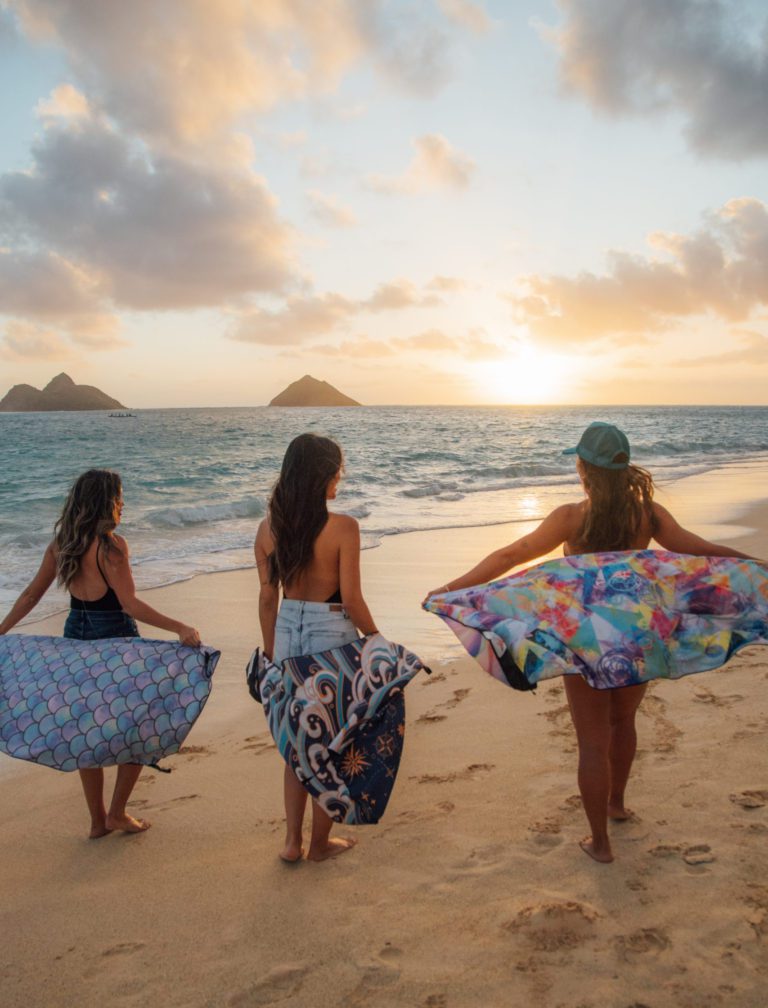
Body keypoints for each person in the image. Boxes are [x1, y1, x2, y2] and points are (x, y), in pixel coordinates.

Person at [427, 421, 758, 864]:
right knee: (624, 722)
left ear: (585, 469)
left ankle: (599, 842)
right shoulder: (648, 514)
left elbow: (511, 556)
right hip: (638, 636)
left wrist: (450, 589)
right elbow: (697, 550)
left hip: (585, 641)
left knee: (591, 742)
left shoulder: (571, 517)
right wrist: (754, 563)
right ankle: (616, 803)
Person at [0, 468, 201, 837]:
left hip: (75, 637)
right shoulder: (112, 547)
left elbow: (30, 595)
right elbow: (130, 605)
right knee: (139, 724)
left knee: (84, 729)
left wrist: (1, 630)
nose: (123, 504)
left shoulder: (62, 543)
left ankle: (97, 820)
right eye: (119, 497)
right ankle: (117, 813)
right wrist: (180, 627)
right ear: (107, 501)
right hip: (116, 641)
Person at [255, 433, 379, 863]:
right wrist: (377, 641)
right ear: (323, 475)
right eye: (337, 472)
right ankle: (320, 845)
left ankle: (292, 842)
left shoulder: (269, 529)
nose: (339, 481)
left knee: (297, 744)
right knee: (331, 743)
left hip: (288, 630)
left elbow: (268, 597)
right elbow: (351, 598)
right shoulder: (344, 527)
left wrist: (271, 655)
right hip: (331, 634)